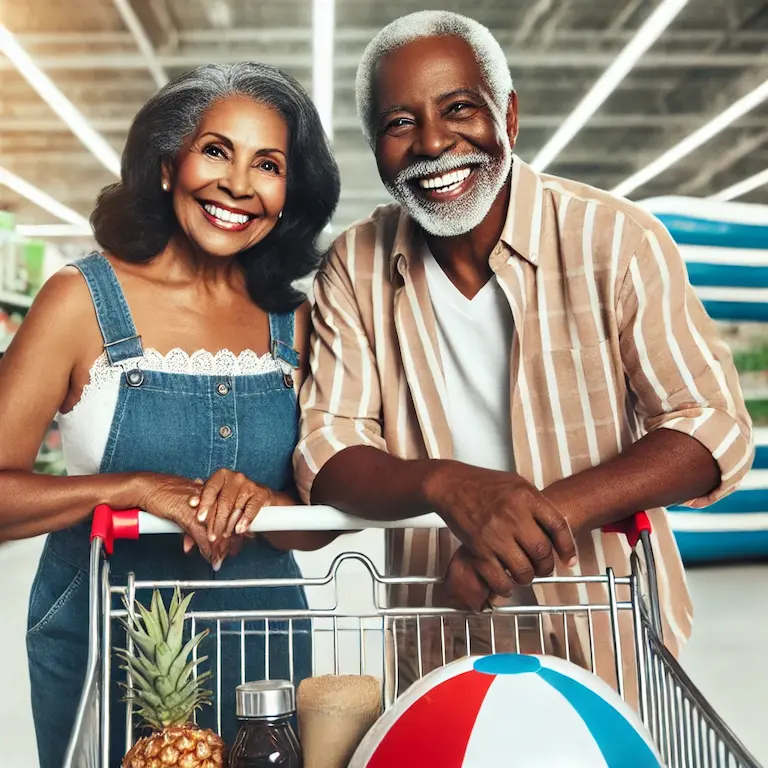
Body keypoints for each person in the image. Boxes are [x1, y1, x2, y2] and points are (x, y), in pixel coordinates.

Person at [294, 11, 753, 699]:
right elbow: (327, 450)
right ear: (374, 147)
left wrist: (536, 522)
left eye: (458, 108)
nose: (434, 142)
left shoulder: (616, 240)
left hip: (611, 632)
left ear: (507, 117)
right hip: (439, 638)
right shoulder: (354, 266)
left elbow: (711, 423)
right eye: (399, 123)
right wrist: (448, 486)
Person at [0, 63, 340, 767]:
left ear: (288, 194)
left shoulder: (296, 323)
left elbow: (318, 521)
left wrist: (270, 506)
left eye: (268, 164)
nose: (239, 184)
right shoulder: (79, 301)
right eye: (217, 150)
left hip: (265, 653)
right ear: (166, 164)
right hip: (108, 649)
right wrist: (131, 489)